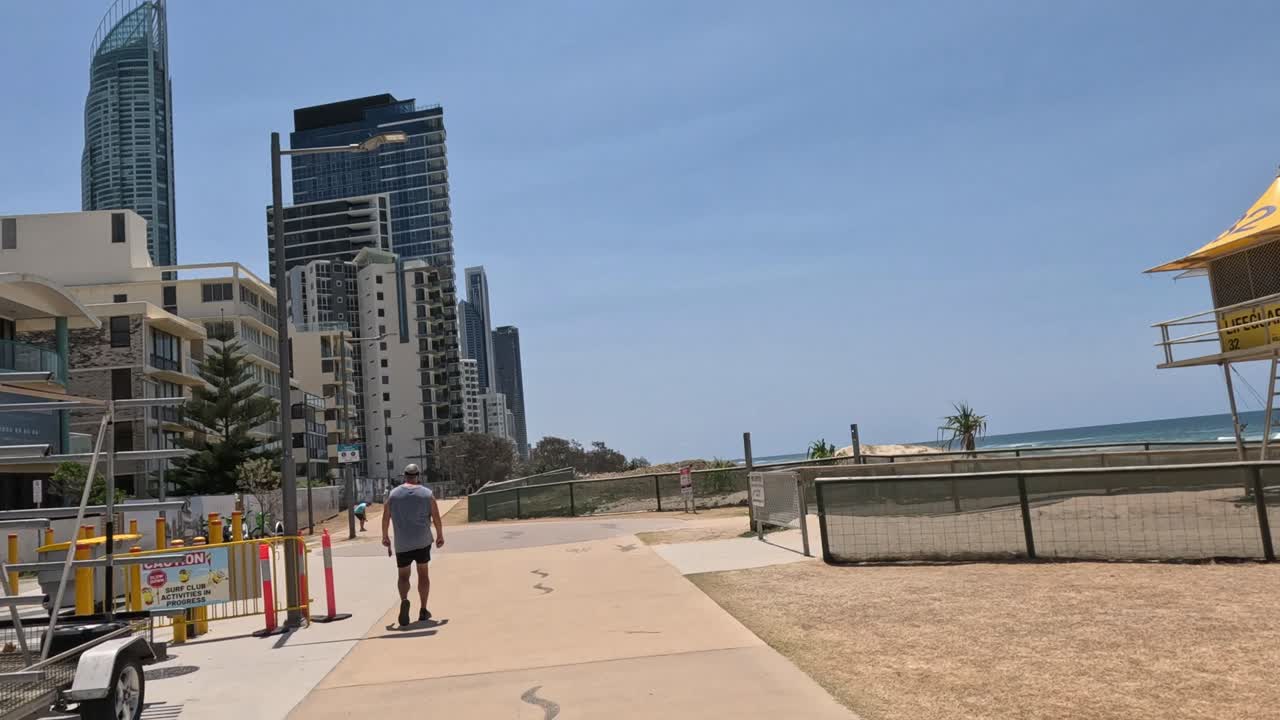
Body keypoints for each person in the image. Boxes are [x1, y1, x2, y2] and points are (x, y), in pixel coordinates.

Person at [382, 464, 444, 626]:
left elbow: (385, 517)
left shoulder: (393, 495)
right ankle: (423, 609)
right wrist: (439, 535)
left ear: (404, 476)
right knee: (423, 574)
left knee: (403, 576)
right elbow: (436, 516)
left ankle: (404, 600)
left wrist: (385, 537)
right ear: (418, 476)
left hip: (402, 542)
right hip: (422, 541)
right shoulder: (427, 494)